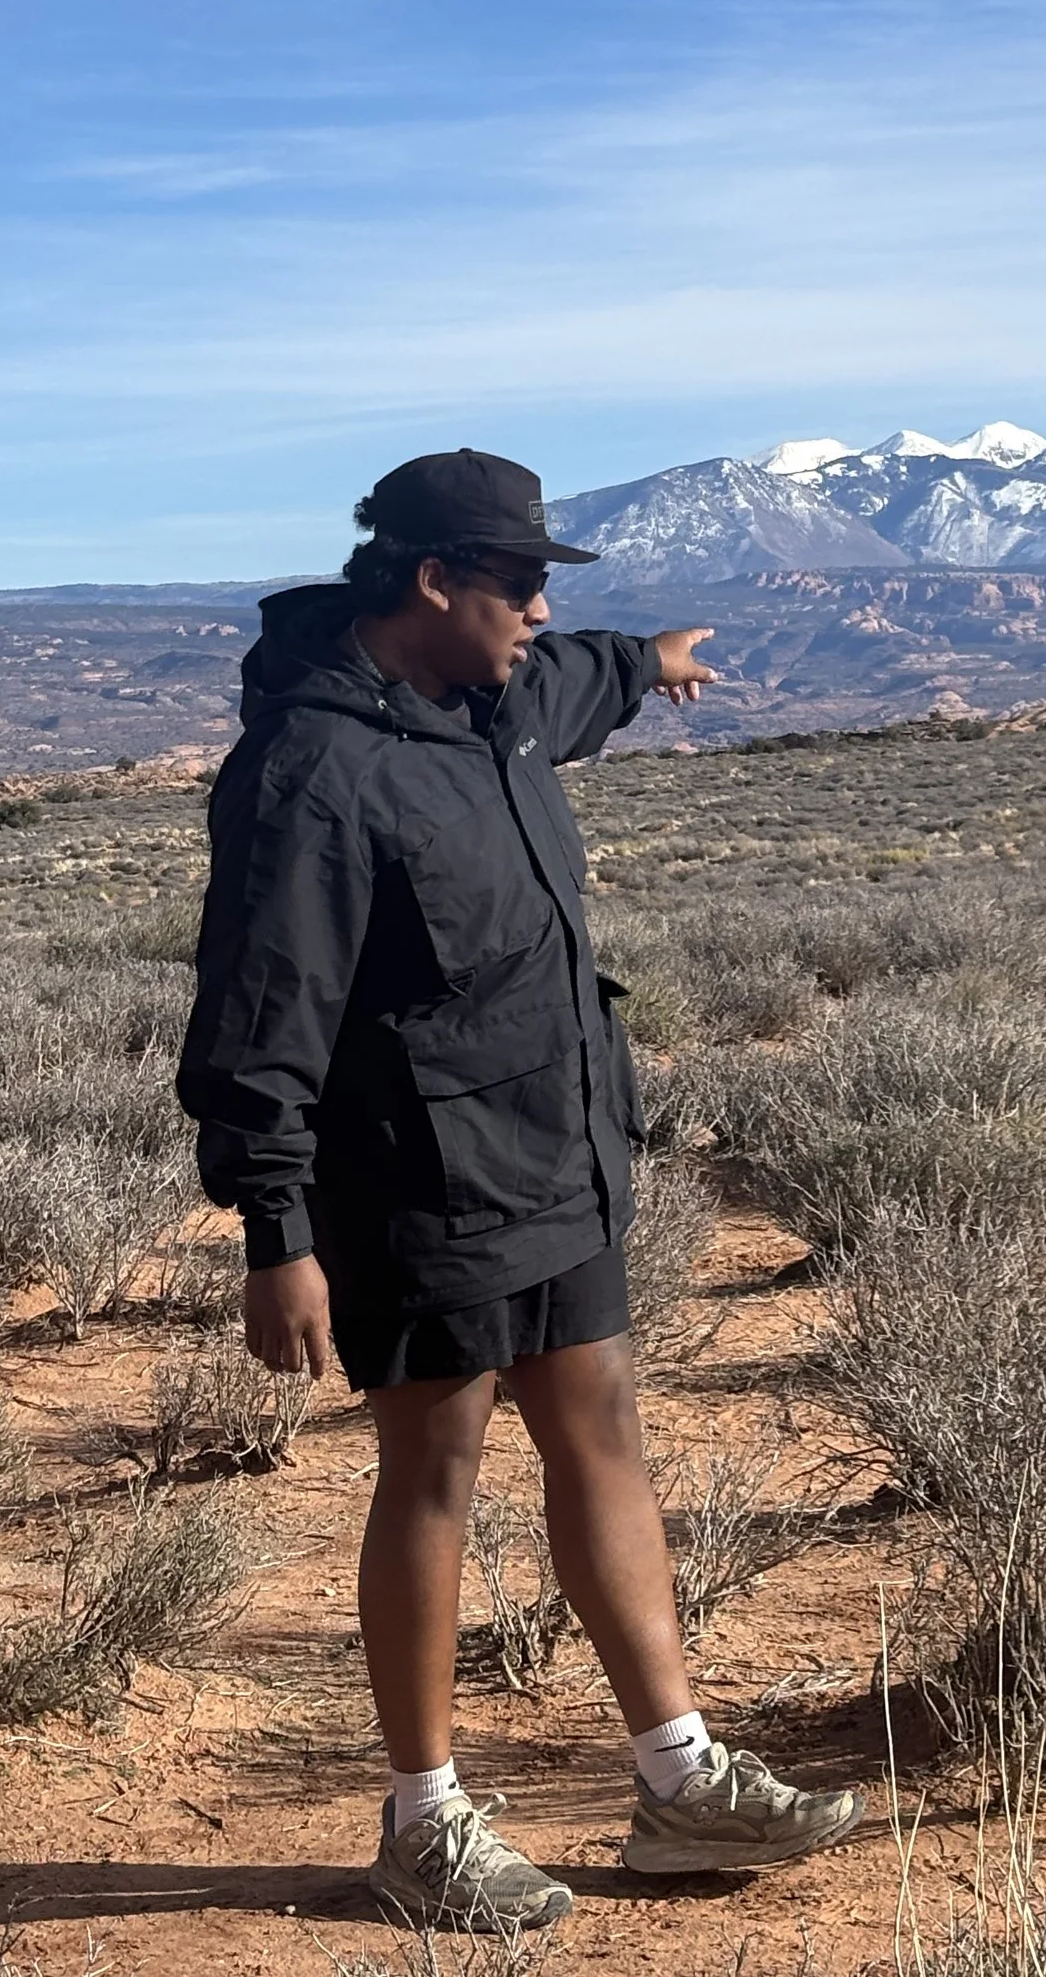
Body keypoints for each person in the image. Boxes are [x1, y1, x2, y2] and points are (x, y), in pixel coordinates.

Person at [176, 447, 862, 1929]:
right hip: (413, 1180)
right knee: (434, 1470)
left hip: (558, 1147)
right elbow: (258, 1020)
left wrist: (652, 661)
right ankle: (424, 1820)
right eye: (520, 586)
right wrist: (277, 1232)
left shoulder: (490, 700)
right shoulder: (313, 773)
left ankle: (677, 1783)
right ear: (434, 583)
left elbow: (578, 681)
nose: (539, 611)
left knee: (602, 1425)